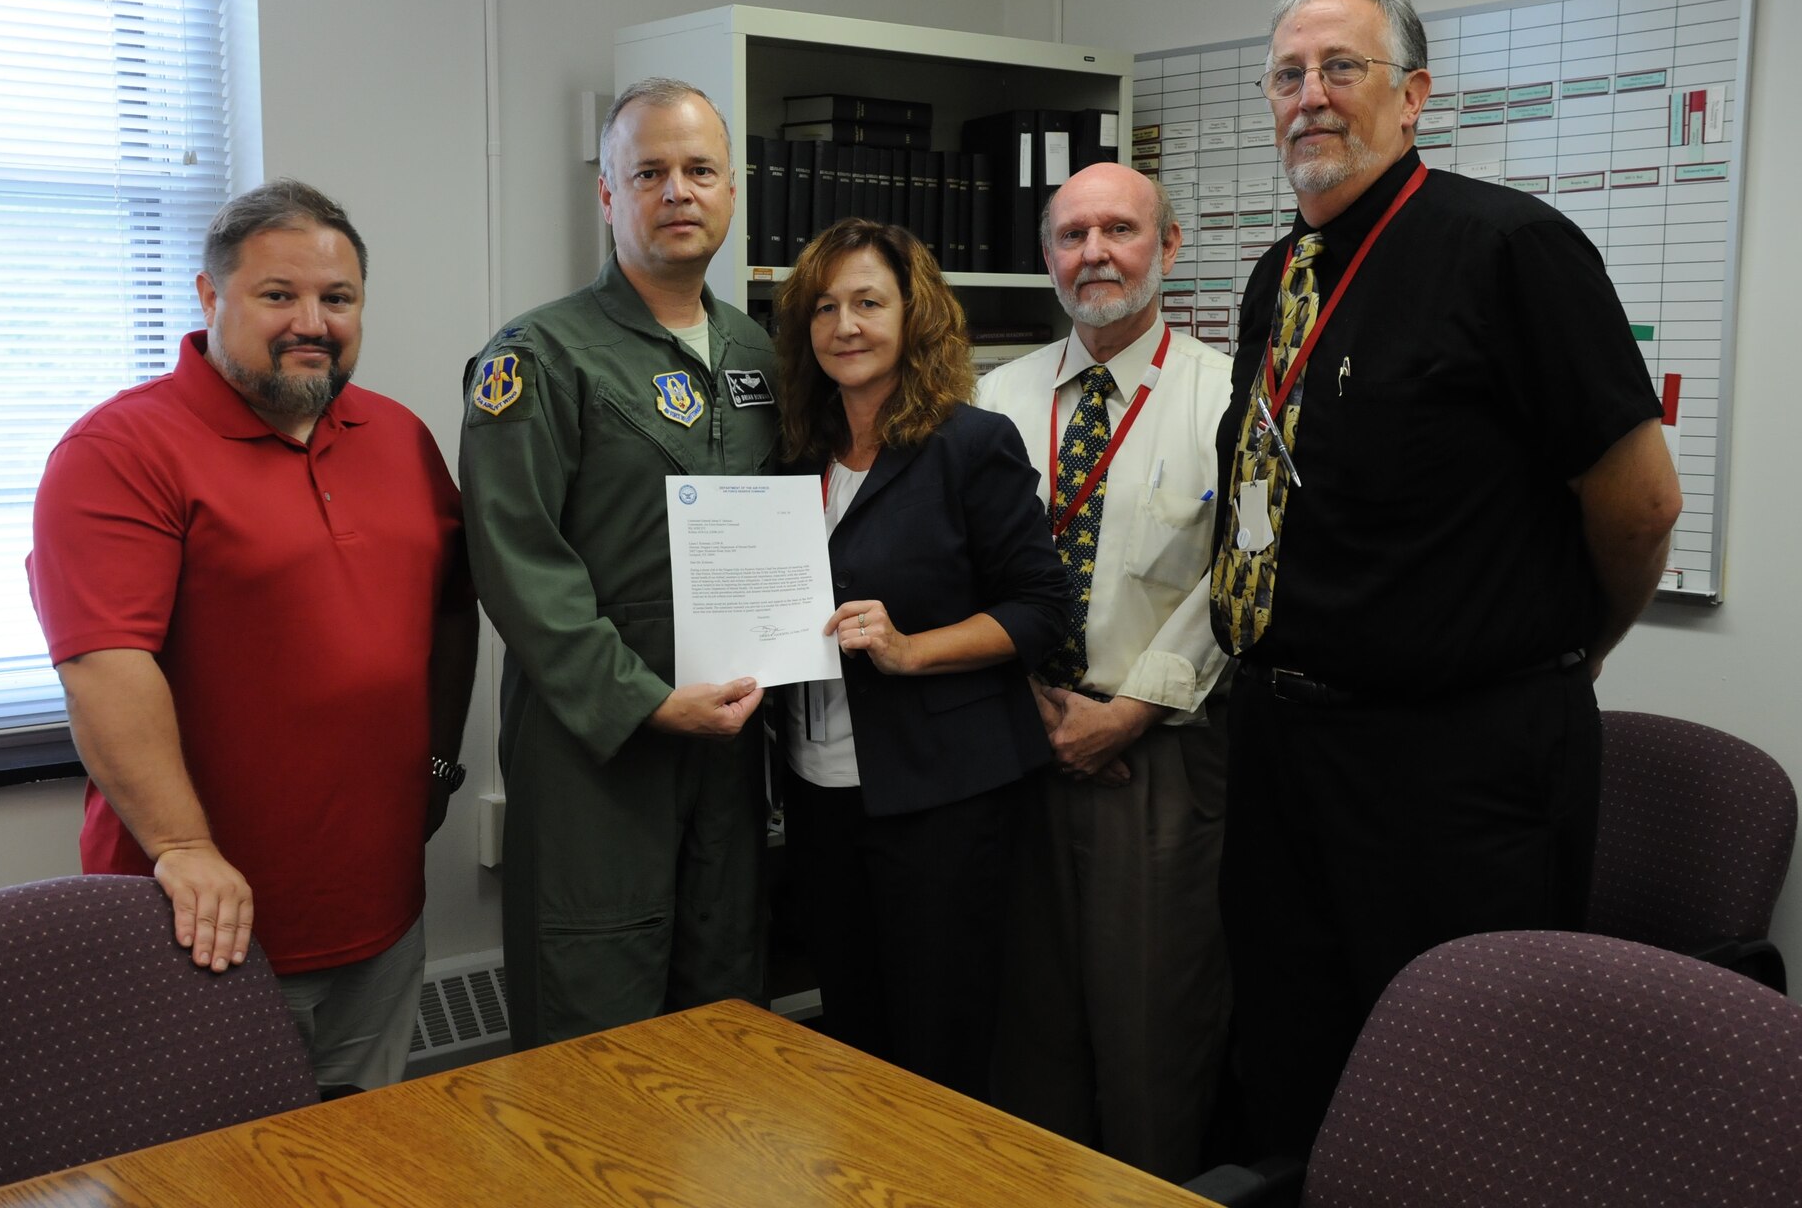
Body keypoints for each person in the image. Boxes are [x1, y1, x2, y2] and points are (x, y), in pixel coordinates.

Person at [1208, 0, 1684, 1158]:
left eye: (1341, 69)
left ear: (1412, 96)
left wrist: (1564, 656)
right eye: (1286, 74)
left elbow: (1637, 507)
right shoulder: (1280, 274)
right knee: (1291, 1079)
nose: (1308, 96)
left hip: (1449, 767)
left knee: (1459, 1109)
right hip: (1282, 750)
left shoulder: (1510, 248)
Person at [28, 178, 477, 1091]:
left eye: (337, 298)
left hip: (379, 915)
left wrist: (435, 765)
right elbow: (104, 665)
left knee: (364, 1161)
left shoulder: (400, 436)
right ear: (209, 296)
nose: (311, 320)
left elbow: (448, 612)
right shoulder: (120, 451)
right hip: (197, 925)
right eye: (279, 296)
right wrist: (185, 850)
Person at [459, 78, 779, 1049]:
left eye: (698, 170)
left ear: (731, 191)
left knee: (722, 1013)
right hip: (597, 749)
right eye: (648, 171)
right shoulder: (538, 355)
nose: (676, 190)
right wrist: (644, 700)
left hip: (729, 737)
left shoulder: (758, 349)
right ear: (607, 196)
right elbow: (518, 564)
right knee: (592, 1021)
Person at [974, 164, 1233, 1178]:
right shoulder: (993, 396)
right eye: (1070, 235)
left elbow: (1242, 571)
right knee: (1025, 1028)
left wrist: (1128, 707)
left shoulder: (1227, 394)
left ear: (1165, 248)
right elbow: (968, 565)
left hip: (1156, 757)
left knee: (1149, 1032)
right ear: (1046, 257)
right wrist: (1029, 703)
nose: (1093, 254)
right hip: (1017, 744)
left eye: (1118, 230)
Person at [772, 218, 1070, 1100]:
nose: (846, 326)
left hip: (942, 797)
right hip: (817, 791)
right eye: (824, 307)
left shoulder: (969, 444)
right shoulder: (794, 460)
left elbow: (1040, 610)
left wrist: (910, 650)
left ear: (914, 316)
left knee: (937, 1047)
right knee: (851, 1040)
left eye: (869, 302)